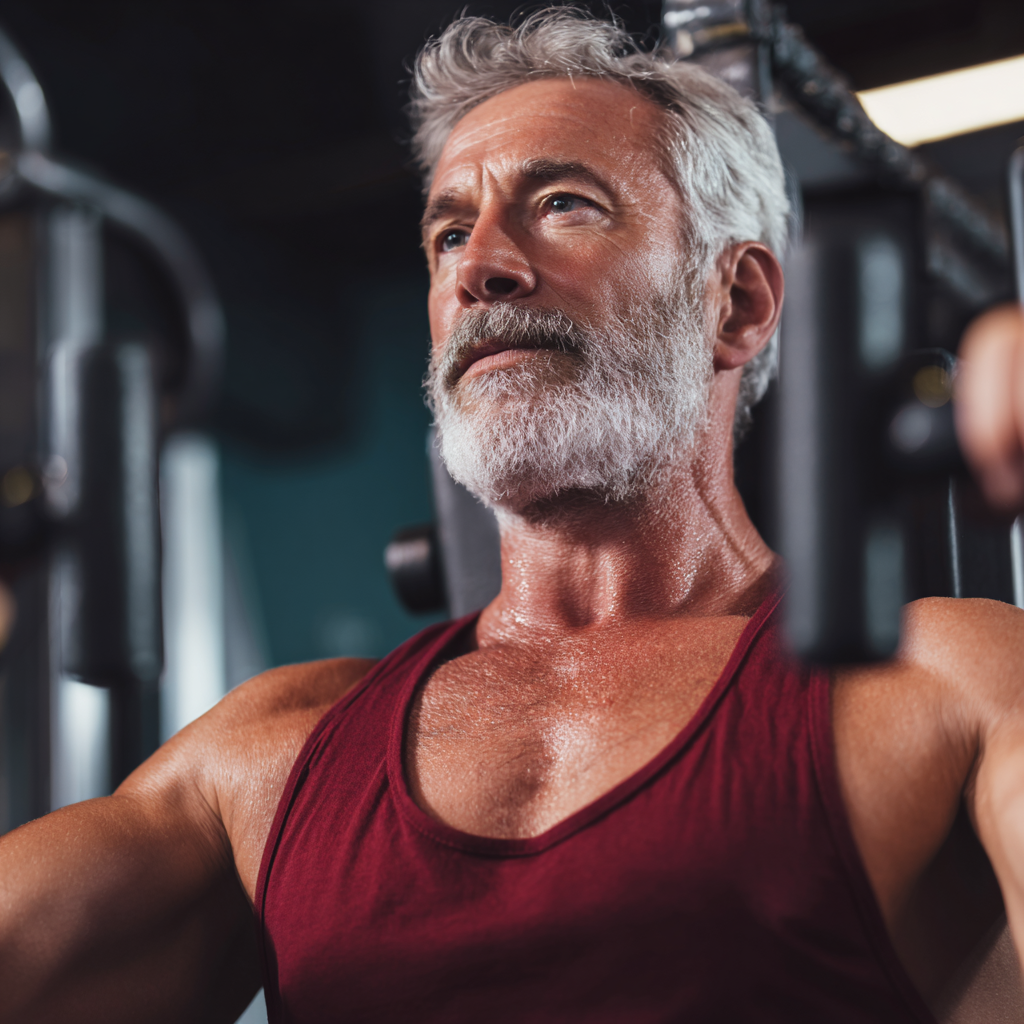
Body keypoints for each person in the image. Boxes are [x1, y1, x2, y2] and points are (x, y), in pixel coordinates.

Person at [2, 10, 1024, 1023]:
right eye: (449, 231)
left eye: (566, 205)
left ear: (739, 303)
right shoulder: (273, 753)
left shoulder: (941, 682)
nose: (478, 266)